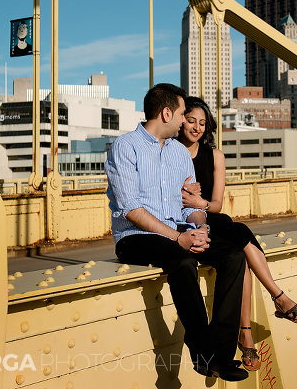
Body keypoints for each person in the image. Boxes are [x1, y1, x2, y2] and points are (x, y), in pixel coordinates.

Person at [105, 83, 249, 382]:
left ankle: (221, 356)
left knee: (234, 256)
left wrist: (201, 227)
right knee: (182, 262)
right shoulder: (125, 146)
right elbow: (131, 209)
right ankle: (202, 353)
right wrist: (179, 237)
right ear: (167, 112)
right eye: (183, 114)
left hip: (178, 232)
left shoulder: (179, 154)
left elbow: (187, 207)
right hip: (135, 238)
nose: (185, 121)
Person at [177, 96, 297, 372]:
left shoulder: (215, 156)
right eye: (191, 120)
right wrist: (191, 206)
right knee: (239, 246)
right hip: (187, 223)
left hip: (211, 216)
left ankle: (255, 322)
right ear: (180, 121)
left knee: (236, 233)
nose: (197, 127)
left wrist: (199, 203)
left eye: (203, 123)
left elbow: (216, 203)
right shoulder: (169, 154)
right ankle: (271, 307)